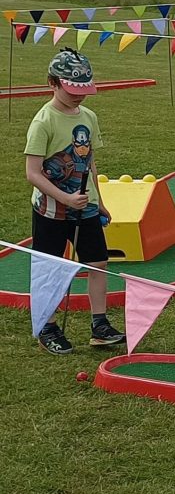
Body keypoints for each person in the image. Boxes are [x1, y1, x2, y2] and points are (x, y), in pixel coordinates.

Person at [24, 49, 126, 355]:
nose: (79, 97)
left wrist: (100, 199)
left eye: (83, 91)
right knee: (51, 268)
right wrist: (66, 197)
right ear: (53, 83)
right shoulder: (43, 121)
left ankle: (100, 325)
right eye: (72, 91)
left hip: (87, 208)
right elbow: (32, 173)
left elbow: (90, 163)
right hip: (52, 210)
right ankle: (48, 326)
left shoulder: (89, 118)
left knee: (98, 262)